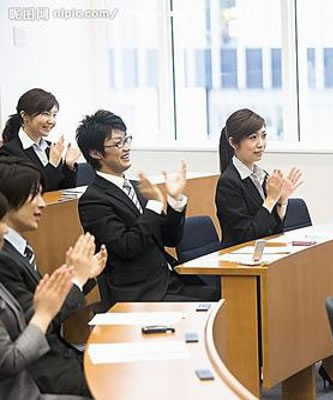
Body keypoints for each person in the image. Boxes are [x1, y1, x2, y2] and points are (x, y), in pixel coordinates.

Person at [76, 109, 218, 305]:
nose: (126, 148)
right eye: (118, 143)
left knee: (228, 296)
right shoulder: (93, 200)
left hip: (168, 280)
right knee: (216, 306)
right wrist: (154, 205)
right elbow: (128, 247)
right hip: (140, 293)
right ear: (95, 153)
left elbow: (170, 239)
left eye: (126, 140)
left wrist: (174, 201)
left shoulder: (138, 187)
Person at [0, 157, 104, 397]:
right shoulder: (4, 258)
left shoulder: (18, 248)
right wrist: (76, 280)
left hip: (58, 358)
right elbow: (36, 320)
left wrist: (81, 276)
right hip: (40, 374)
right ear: (7, 200)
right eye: (33, 195)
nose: (42, 203)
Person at [216, 108, 302, 248]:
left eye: (263, 136)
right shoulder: (228, 183)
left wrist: (281, 201)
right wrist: (270, 199)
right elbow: (246, 236)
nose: (261, 144)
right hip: (238, 256)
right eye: (253, 138)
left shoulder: (262, 176)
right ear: (233, 143)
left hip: (263, 252)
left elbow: (273, 230)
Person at [0, 88, 80, 191]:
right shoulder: (8, 152)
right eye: (45, 114)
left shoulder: (51, 148)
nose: (51, 121)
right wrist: (52, 164)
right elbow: (31, 192)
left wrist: (69, 166)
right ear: (24, 115)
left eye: (54, 115)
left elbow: (63, 191)